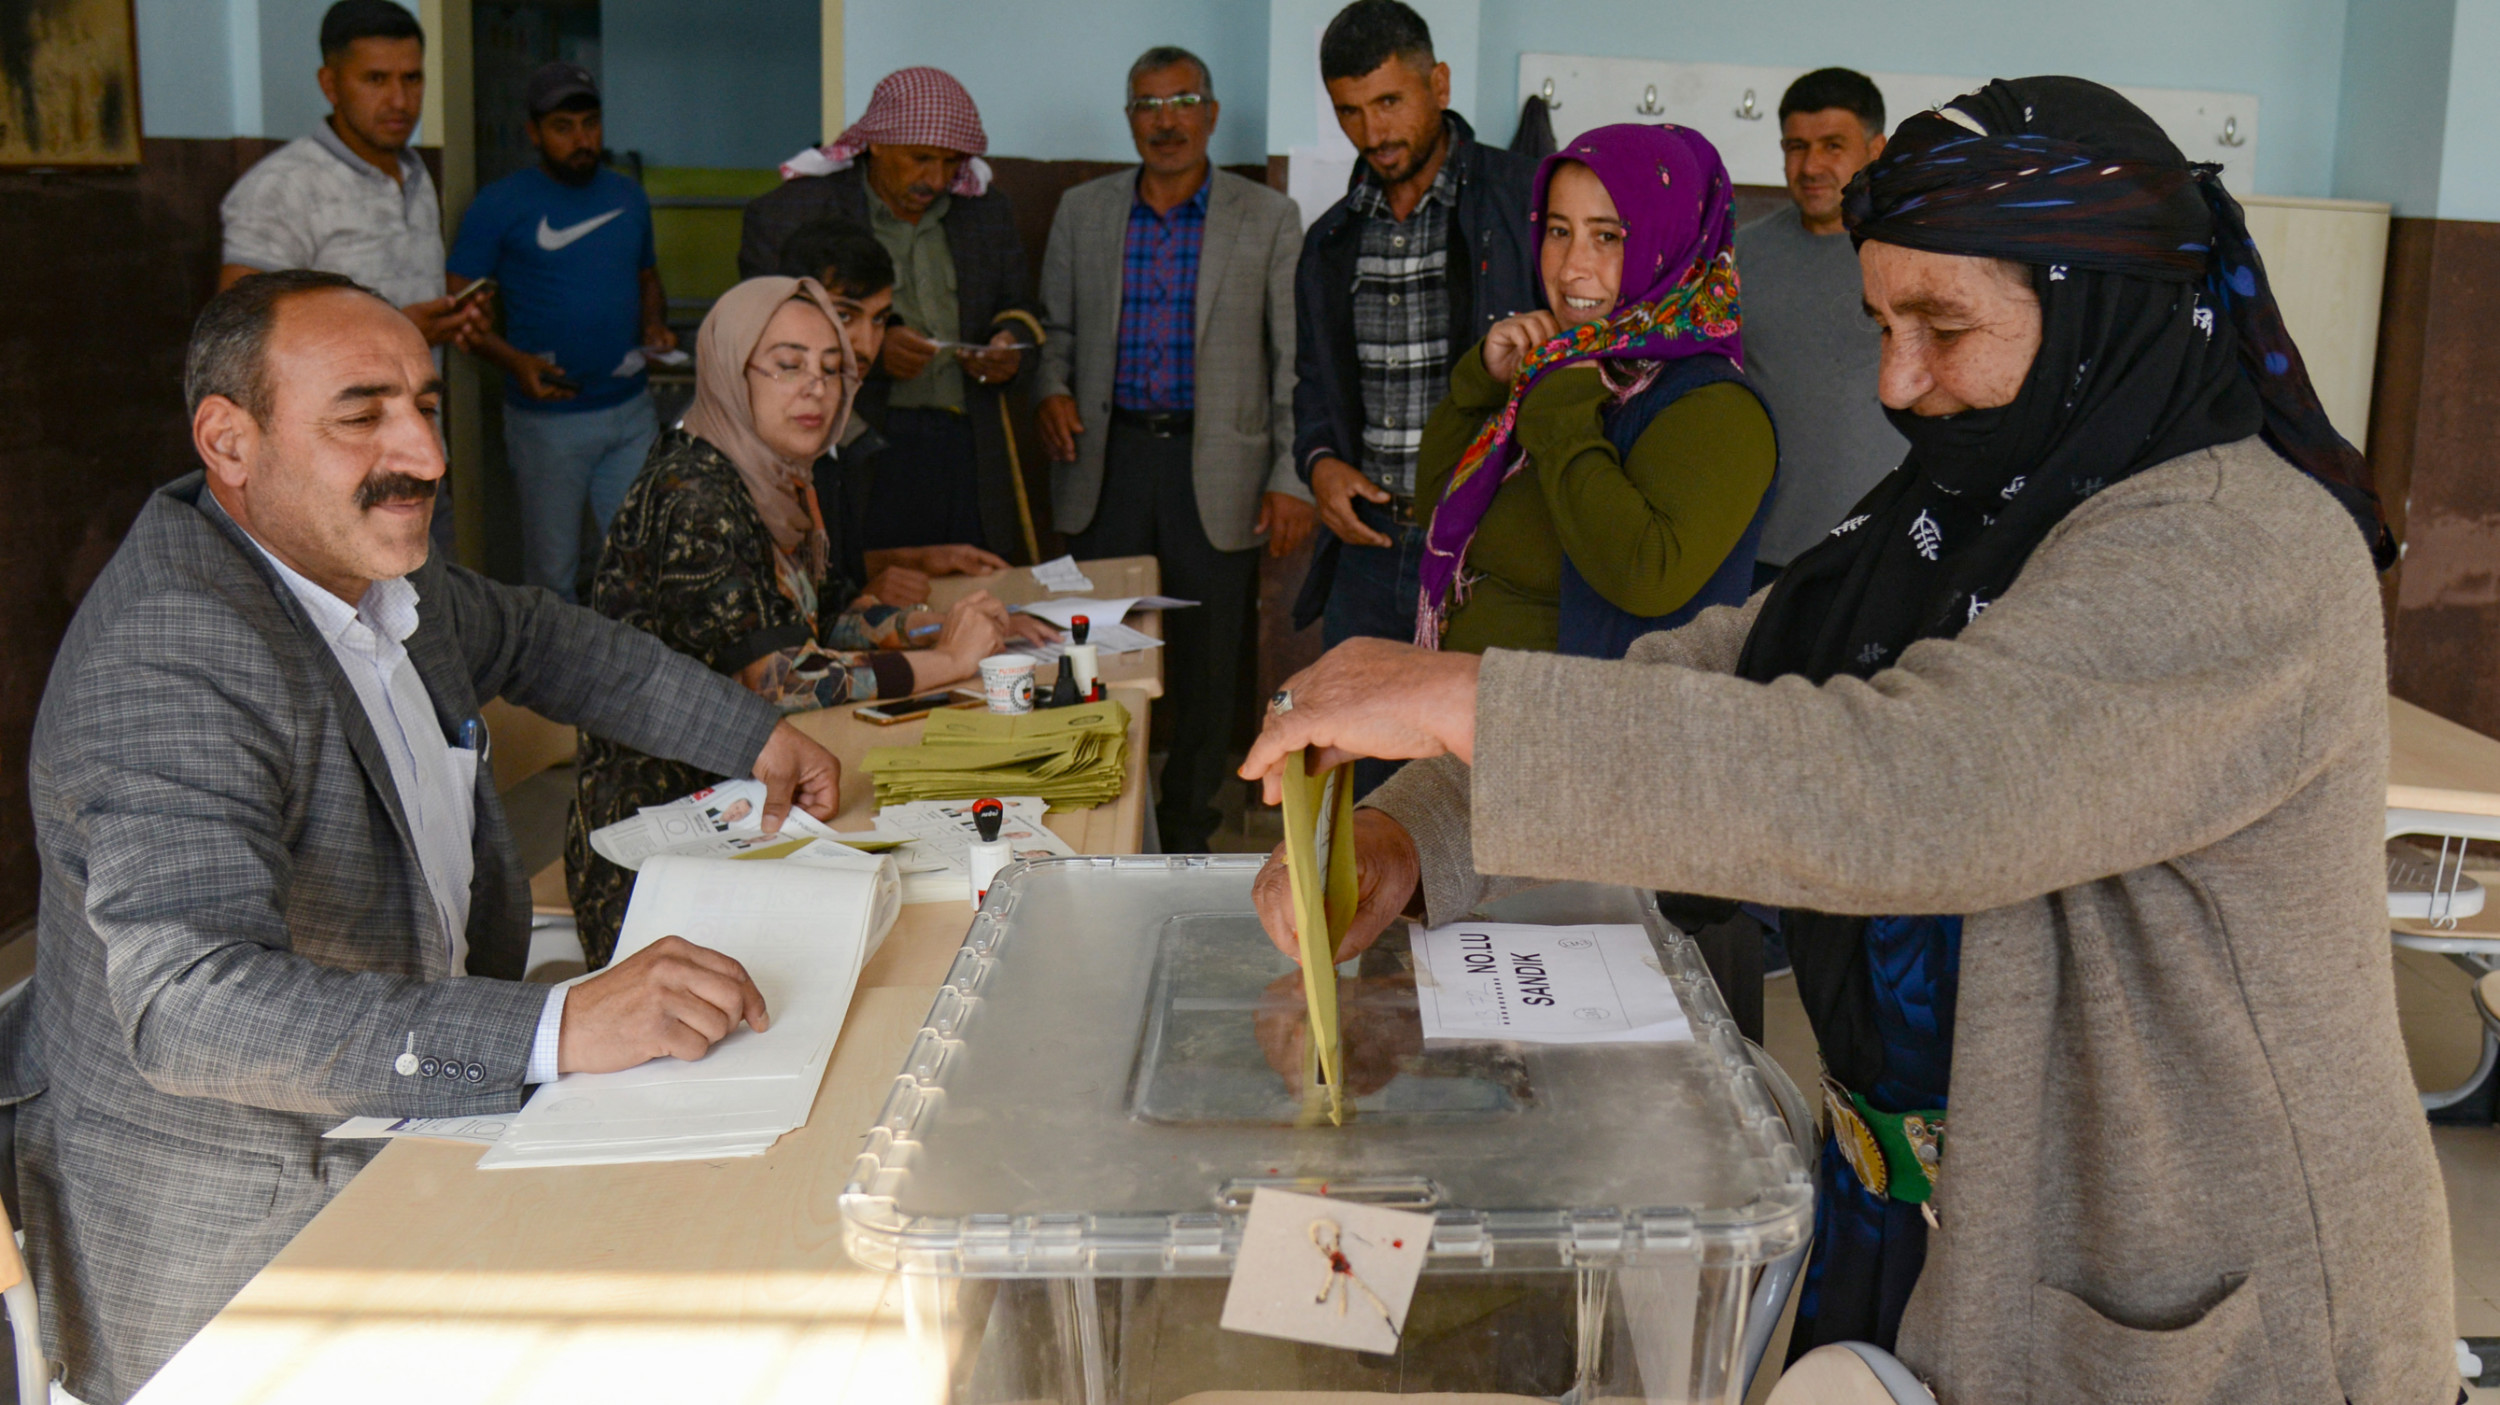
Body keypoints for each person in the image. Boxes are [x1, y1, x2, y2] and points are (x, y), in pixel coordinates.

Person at [1240, 78, 2453, 1403]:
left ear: (2107, 312)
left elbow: (1919, 787)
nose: (1895, 380)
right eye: (1881, 322)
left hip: (2206, 1293)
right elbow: (1741, 664)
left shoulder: (2232, 547)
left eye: (1943, 326)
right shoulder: (1975, 501)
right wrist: (1415, 830)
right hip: (1938, 1214)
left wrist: (1462, 699)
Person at [9, 270, 844, 1403]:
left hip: (408, 1118)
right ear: (229, 441)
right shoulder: (173, 653)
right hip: (247, 1238)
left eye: (426, 405)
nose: (427, 454)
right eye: (362, 412)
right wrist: (557, 1023)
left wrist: (753, 736)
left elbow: (546, 641)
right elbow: (193, 1008)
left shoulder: (366, 573)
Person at [565, 277, 1051, 962]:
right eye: (788, 365)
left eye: (832, 369)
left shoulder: (774, 478)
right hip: (667, 848)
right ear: (732, 372)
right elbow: (780, 679)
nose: (817, 389)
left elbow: (824, 621)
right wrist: (949, 662)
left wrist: (934, 626)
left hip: (764, 805)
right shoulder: (692, 491)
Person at [1034, 46, 1315, 852]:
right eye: (1148, 104)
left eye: (1183, 99)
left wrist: (1291, 473)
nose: (1166, 119)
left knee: (1203, 663)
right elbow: (1053, 333)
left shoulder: (1265, 217)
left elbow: (1295, 358)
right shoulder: (1083, 211)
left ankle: (1188, 830)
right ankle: (1094, 817)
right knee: (1097, 649)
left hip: (1217, 470)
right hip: (1107, 459)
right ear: (1129, 119)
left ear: (1212, 113)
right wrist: (1048, 387)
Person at [1290, 0, 1538, 793]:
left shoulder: (1526, 203)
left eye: (1390, 102)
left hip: (1486, 551)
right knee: (1358, 788)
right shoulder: (1329, 240)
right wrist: (1320, 460)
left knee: (1481, 787)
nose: (1373, 132)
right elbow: (1314, 384)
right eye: (1350, 112)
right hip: (1368, 551)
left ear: (1438, 83)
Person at [1414, 123, 1773, 661]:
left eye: (1607, 236)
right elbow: (1433, 508)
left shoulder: (1715, 407)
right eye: (1559, 231)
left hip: (1581, 732)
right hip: (1473, 718)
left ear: (1668, 240)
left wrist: (1559, 400)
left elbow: (1645, 576)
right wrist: (1481, 385)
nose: (1571, 268)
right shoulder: (1561, 360)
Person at [738, 67, 1045, 560]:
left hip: (966, 441)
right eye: (920, 159)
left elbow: (1022, 305)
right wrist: (874, 350)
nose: (937, 178)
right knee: (873, 586)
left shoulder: (985, 212)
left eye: (950, 163)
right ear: (876, 144)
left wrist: (1007, 342)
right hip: (856, 439)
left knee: (970, 580)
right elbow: (761, 333)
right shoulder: (795, 213)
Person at [217, 0, 488, 554]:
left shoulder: (412, 176)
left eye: (412, 79)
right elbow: (235, 340)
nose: (399, 100)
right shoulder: (282, 189)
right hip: (336, 480)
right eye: (375, 79)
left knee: (433, 624)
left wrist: (445, 321)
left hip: (422, 454)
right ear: (330, 83)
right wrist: (403, 332)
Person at [446, 61, 672, 602]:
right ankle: (553, 687)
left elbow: (646, 277)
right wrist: (514, 362)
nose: (581, 139)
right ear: (534, 132)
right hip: (548, 423)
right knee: (553, 572)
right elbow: (458, 308)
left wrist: (656, 324)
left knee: (640, 558)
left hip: (631, 411)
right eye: (563, 127)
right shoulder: (499, 205)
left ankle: (635, 678)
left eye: (590, 124)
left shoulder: (627, 196)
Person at [771, 217, 1015, 609]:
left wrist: (917, 560)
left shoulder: (843, 433)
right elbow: (764, 625)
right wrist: (857, 605)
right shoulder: (759, 438)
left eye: (880, 319)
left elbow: (817, 569)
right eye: (845, 316)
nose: (866, 345)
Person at [1736, 67, 1906, 591]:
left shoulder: (1914, 254)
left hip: (1878, 547)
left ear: (1876, 149)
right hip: (1754, 551)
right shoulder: (1736, 257)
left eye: (1833, 145)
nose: (1811, 165)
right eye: (1796, 146)